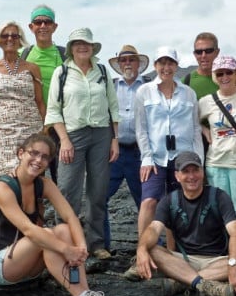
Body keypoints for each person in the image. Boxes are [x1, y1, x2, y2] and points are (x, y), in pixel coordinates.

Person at [0, 133, 119, 296]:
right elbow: (28, 230)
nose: (38, 160)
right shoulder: (3, 187)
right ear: (20, 153)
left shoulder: (43, 184)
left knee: (62, 229)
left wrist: (80, 248)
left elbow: (70, 216)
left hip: (28, 264)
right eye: (34, 153)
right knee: (45, 235)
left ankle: (85, 295)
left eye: (45, 157)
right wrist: (66, 250)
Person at [126, 47, 203, 279]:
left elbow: (196, 129)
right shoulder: (144, 92)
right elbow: (141, 128)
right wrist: (146, 157)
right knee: (149, 201)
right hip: (156, 157)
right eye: (162, 63)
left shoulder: (188, 93)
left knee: (177, 204)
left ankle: (173, 255)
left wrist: (199, 163)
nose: (166, 68)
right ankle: (142, 254)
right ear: (155, 66)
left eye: (170, 63)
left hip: (183, 157)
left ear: (176, 65)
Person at [44, 28, 120, 259]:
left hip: (101, 135)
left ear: (92, 46)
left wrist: (114, 140)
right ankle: (66, 240)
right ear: (71, 48)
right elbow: (53, 110)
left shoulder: (103, 72)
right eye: (77, 44)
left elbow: (113, 107)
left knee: (98, 190)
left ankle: (96, 244)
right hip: (72, 135)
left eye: (86, 43)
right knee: (67, 190)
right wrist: (64, 140)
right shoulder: (62, 72)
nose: (82, 47)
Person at [134, 151, 236, 296]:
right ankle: (203, 284)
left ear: (202, 172)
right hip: (184, 260)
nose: (192, 176)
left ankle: (182, 282)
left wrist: (232, 264)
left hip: (217, 260)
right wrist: (141, 249)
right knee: (151, 249)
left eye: (195, 170)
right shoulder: (169, 201)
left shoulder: (219, 196)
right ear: (177, 176)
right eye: (186, 171)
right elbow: (153, 229)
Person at [198, 55, 236, 233]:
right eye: (219, 73)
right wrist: (205, 131)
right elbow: (194, 121)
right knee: (220, 214)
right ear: (214, 77)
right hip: (216, 163)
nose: (224, 77)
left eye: (229, 72)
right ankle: (228, 255)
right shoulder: (205, 101)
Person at [102, 45, 150, 257]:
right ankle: (102, 245)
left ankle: (149, 248)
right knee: (100, 197)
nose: (128, 63)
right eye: (124, 60)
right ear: (119, 64)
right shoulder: (109, 87)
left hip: (140, 153)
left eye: (132, 59)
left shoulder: (149, 87)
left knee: (146, 201)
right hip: (115, 152)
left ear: (138, 63)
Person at [0, 20, 44, 177]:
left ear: (20, 39)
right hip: (4, 134)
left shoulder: (32, 68)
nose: (10, 39)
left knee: (33, 177)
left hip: (32, 132)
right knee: (6, 180)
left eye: (15, 35)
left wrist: (45, 133)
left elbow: (40, 102)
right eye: (5, 35)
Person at [21, 5, 66, 183]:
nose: (42, 26)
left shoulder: (65, 55)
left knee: (61, 177)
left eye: (47, 22)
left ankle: (61, 211)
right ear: (31, 27)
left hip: (59, 124)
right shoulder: (23, 55)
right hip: (32, 123)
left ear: (54, 27)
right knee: (31, 176)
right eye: (38, 22)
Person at [182, 32, 221, 100]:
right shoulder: (185, 84)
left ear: (217, 52)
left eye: (208, 51)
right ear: (194, 54)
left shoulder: (231, 79)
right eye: (199, 52)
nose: (203, 55)